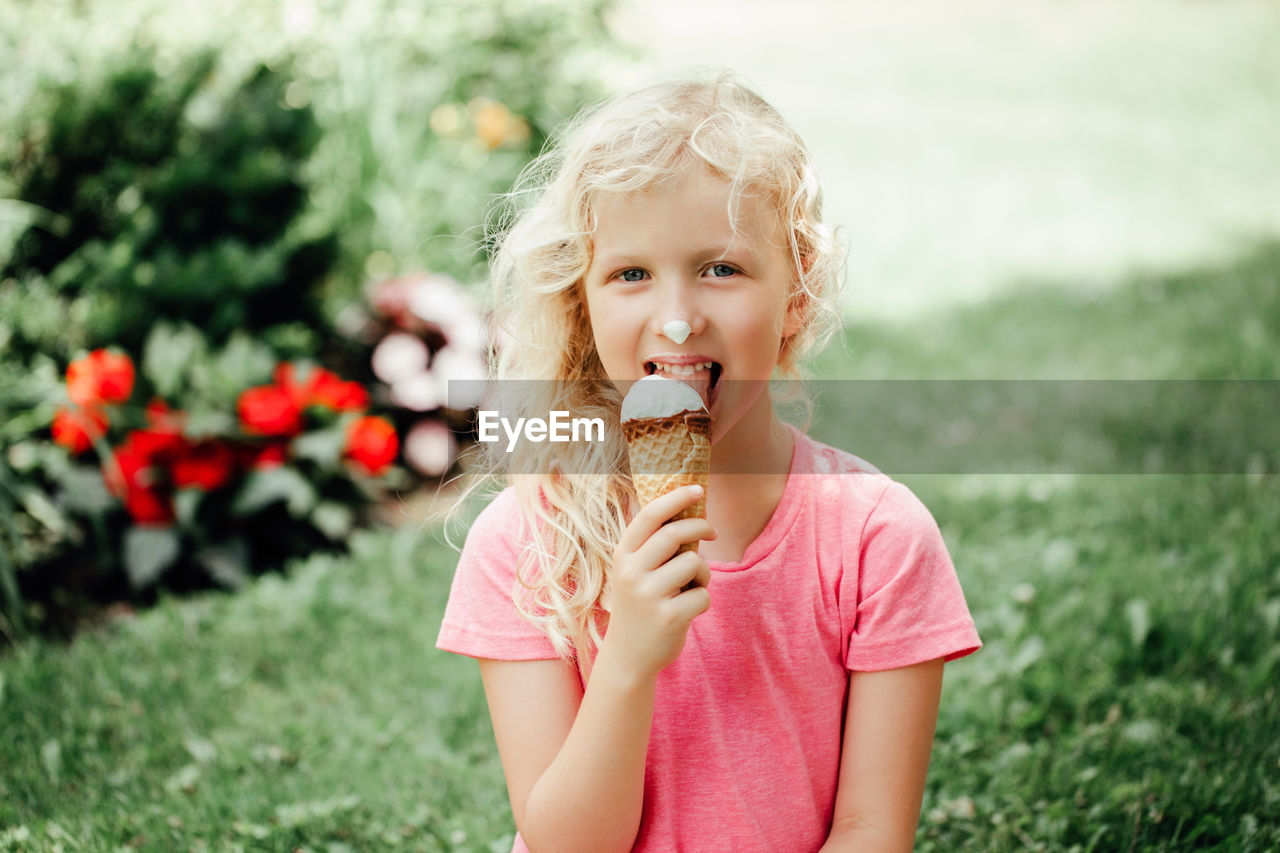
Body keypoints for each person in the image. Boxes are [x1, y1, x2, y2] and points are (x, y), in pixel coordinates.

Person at [436, 69, 981, 853]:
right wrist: (626, 658)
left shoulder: (876, 538)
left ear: (798, 293)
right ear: (582, 304)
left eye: (720, 269)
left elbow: (871, 830)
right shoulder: (527, 544)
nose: (678, 319)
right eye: (630, 274)